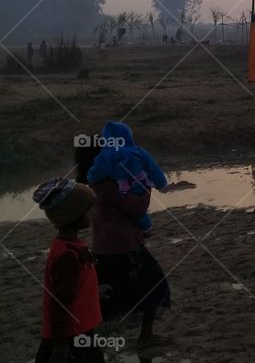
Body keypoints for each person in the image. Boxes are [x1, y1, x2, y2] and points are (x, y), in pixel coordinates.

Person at [83, 122, 171, 348]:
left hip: (105, 245)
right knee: (153, 287)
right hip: (123, 246)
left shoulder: (99, 175)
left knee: (104, 298)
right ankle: (143, 336)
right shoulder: (114, 182)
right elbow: (137, 207)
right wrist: (146, 184)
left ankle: (90, 344)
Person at [32, 178, 103, 363]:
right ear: (75, 215)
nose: (93, 213)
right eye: (89, 209)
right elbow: (59, 303)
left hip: (79, 331)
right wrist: (60, 345)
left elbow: (77, 285)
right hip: (71, 337)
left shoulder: (70, 246)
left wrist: (95, 290)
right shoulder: (67, 256)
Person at [86, 121, 167, 236]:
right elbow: (153, 168)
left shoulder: (107, 154)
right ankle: (146, 227)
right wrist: (161, 183)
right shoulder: (139, 151)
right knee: (139, 212)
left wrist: (90, 177)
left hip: (122, 188)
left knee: (130, 209)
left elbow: (99, 171)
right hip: (140, 185)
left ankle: (142, 228)